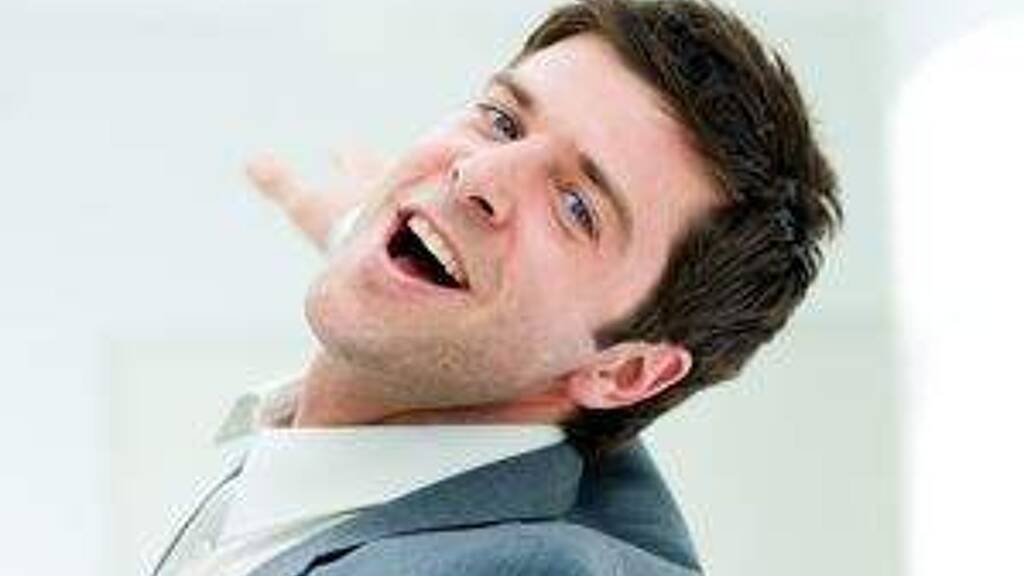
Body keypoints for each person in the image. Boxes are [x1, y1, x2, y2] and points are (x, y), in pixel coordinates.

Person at [153, 0, 840, 574]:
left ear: (625, 372)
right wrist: (392, 253)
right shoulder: (355, 429)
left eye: (576, 208)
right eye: (503, 121)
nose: (476, 176)